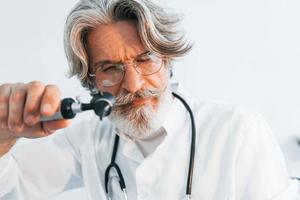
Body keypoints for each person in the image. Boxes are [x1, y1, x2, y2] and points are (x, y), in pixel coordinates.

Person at [0, 0, 298, 199]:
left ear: (168, 59)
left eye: (145, 60)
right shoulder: (87, 140)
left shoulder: (239, 131)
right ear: (90, 81)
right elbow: (10, 184)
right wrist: (4, 133)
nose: (133, 83)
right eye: (110, 69)